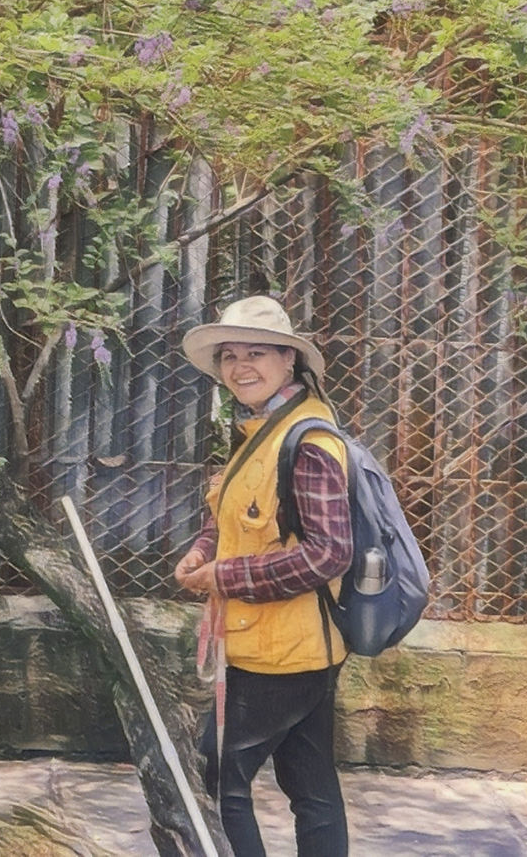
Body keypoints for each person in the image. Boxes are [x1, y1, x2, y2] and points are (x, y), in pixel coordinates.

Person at [175, 295, 352, 857]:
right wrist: (205, 550)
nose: (239, 367)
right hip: (290, 646)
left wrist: (227, 577)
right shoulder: (263, 429)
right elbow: (237, 511)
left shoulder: (309, 442)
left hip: (282, 653)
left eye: (256, 352)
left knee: (214, 777)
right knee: (311, 786)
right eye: (229, 355)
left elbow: (329, 553)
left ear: (289, 361)